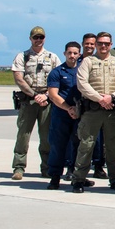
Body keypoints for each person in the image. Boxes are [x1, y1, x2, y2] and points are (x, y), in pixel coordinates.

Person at [72, 32, 115, 193]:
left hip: (112, 111)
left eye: (107, 43)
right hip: (92, 111)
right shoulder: (88, 62)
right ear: (96, 44)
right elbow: (82, 83)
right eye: (101, 43)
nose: (104, 46)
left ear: (111, 45)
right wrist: (99, 98)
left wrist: (112, 97)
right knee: (86, 145)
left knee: (112, 147)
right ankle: (79, 179)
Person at [9, 26, 59, 180]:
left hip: (46, 102)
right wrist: (34, 95)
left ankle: (47, 167)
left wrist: (45, 96)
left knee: (46, 137)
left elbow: (57, 79)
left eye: (41, 37)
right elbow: (19, 79)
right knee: (23, 135)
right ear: (30, 38)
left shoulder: (52, 57)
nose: (38, 40)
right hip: (28, 101)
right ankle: (18, 167)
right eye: (35, 37)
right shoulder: (22, 57)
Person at [46, 41, 82, 190]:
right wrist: (68, 108)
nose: (72, 56)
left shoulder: (82, 71)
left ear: (79, 55)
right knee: (58, 146)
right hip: (61, 114)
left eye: (75, 53)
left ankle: (76, 175)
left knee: (79, 146)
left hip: (80, 115)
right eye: (69, 53)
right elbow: (53, 95)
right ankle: (55, 177)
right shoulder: (57, 72)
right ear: (64, 54)